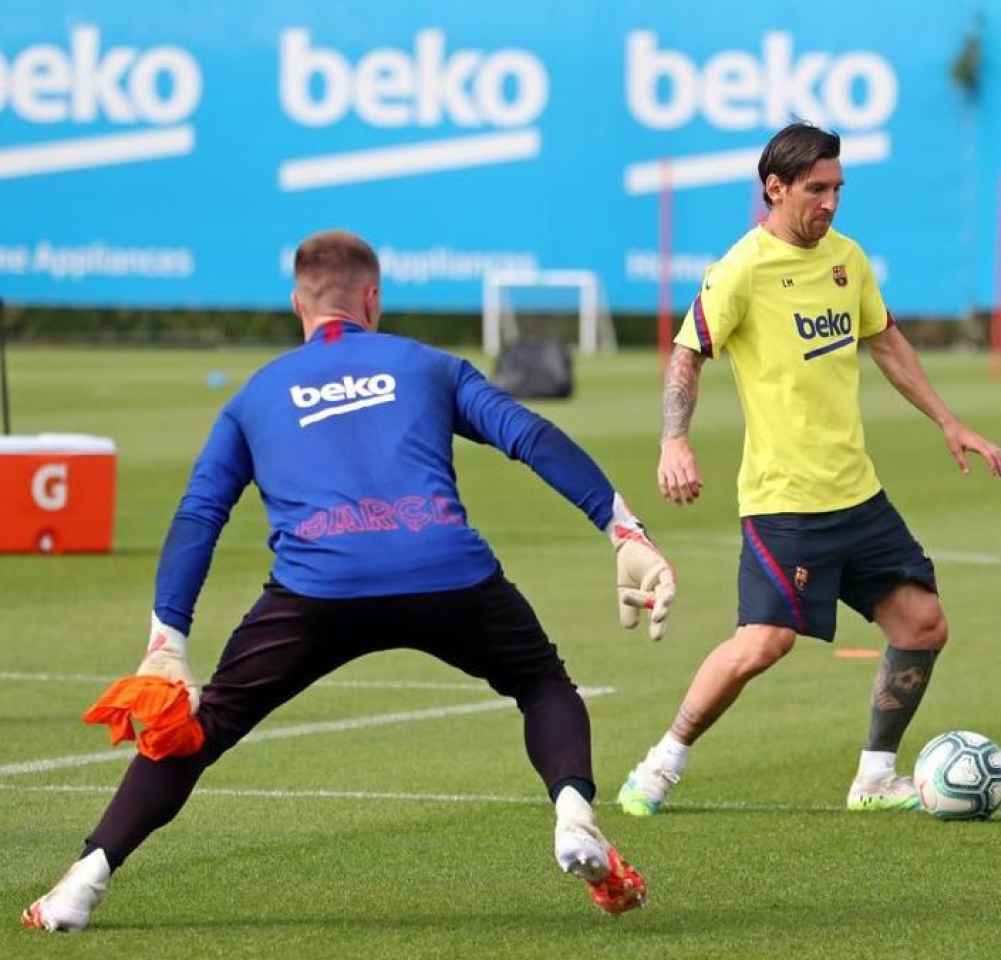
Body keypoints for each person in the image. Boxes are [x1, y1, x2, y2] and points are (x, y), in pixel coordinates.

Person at [22, 230, 674, 931]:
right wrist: (623, 530)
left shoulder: (256, 394)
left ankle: (82, 884)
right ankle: (574, 816)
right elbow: (529, 435)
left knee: (201, 729)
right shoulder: (426, 364)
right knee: (542, 685)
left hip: (316, 590)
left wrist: (167, 639)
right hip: (445, 571)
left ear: (297, 303)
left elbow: (199, 513)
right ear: (373, 298)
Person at [616, 122, 1001, 817]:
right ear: (775, 188)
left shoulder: (847, 259)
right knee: (764, 642)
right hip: (785, 502)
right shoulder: (740, 270)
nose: (830, 202)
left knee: (922, 624)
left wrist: (948, 421)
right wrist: (673, 440)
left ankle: (875, 777)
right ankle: (660, 763)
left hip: (857, 495)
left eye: (838, 188)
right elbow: (688, 352)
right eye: (816, 188)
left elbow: (884, 340)